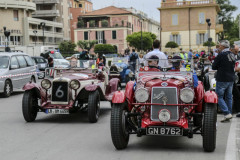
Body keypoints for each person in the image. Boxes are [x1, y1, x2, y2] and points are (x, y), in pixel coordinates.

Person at [212, 40, 236, 122]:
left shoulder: (221, 55)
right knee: (229, 97)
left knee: (219, 96)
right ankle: (229, 113)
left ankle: (226, 113)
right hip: (231, 78)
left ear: (222, 46)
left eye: (219, 46)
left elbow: (214, 67)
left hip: (222, 78)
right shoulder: (232, 54)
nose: (218, 47)